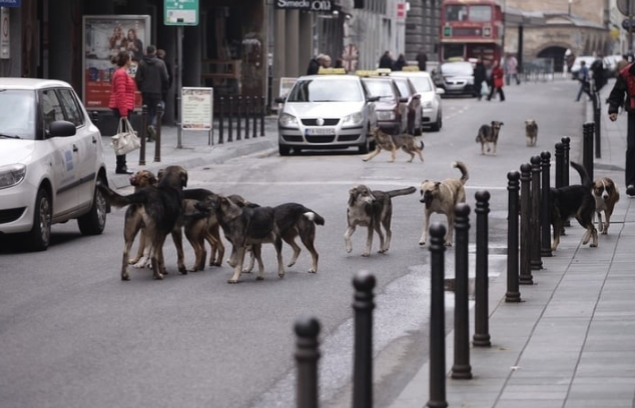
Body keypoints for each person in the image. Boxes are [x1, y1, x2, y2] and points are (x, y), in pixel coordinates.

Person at [608, 62, 635, 196]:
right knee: (632, 147)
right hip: (633, 114)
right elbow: (617, 92)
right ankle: (631, 183)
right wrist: (613, 109)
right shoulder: (626, 73)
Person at [108, 51, 136, 175]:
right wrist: (123, 112)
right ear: (126, 60)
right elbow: (121, 94)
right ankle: (121, 166)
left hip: (124, 109)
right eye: (130, 58)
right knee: (122, 138)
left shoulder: (122, 73)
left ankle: (122, 165)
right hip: (122, 110)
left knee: (123, 137)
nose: (131, 61)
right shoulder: (120, 74)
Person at [135, 45, 169, 142]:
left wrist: (141, 88)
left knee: (147, 112)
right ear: (154, 52)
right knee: (157, 112)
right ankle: (153, 126)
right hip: (157, 91)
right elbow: (165, 78)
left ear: (146, 51)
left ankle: (149, 135)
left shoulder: (142, 63)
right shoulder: (160, 63)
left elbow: (138, 78)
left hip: (146, 91)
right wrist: (163, 89)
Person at [157, 48, 173, 121]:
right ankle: (155, 123)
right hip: (163, 88)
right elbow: (169, 76)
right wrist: (168, 86)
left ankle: (152, 123)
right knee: (162, 105)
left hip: (152, 88)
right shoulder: (166, 64)